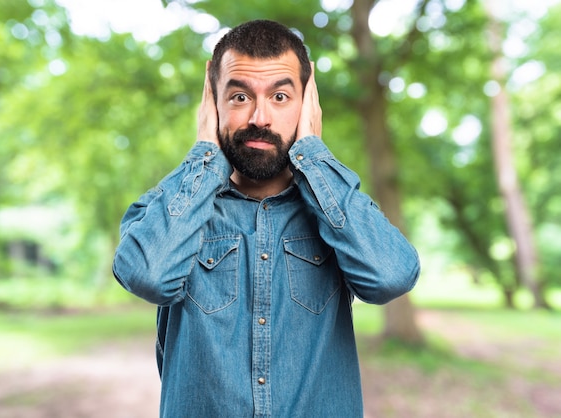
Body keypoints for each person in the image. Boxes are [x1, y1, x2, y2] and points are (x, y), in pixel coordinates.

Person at [113, 19, 420, 418]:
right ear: (212, 102)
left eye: (280, 96)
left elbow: (392, 275)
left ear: (307, 104)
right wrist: (205, 155)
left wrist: (312, 153)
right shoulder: (168, 208)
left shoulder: (339, 211)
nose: (260, 117)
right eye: (239, 97)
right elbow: (147, 274)